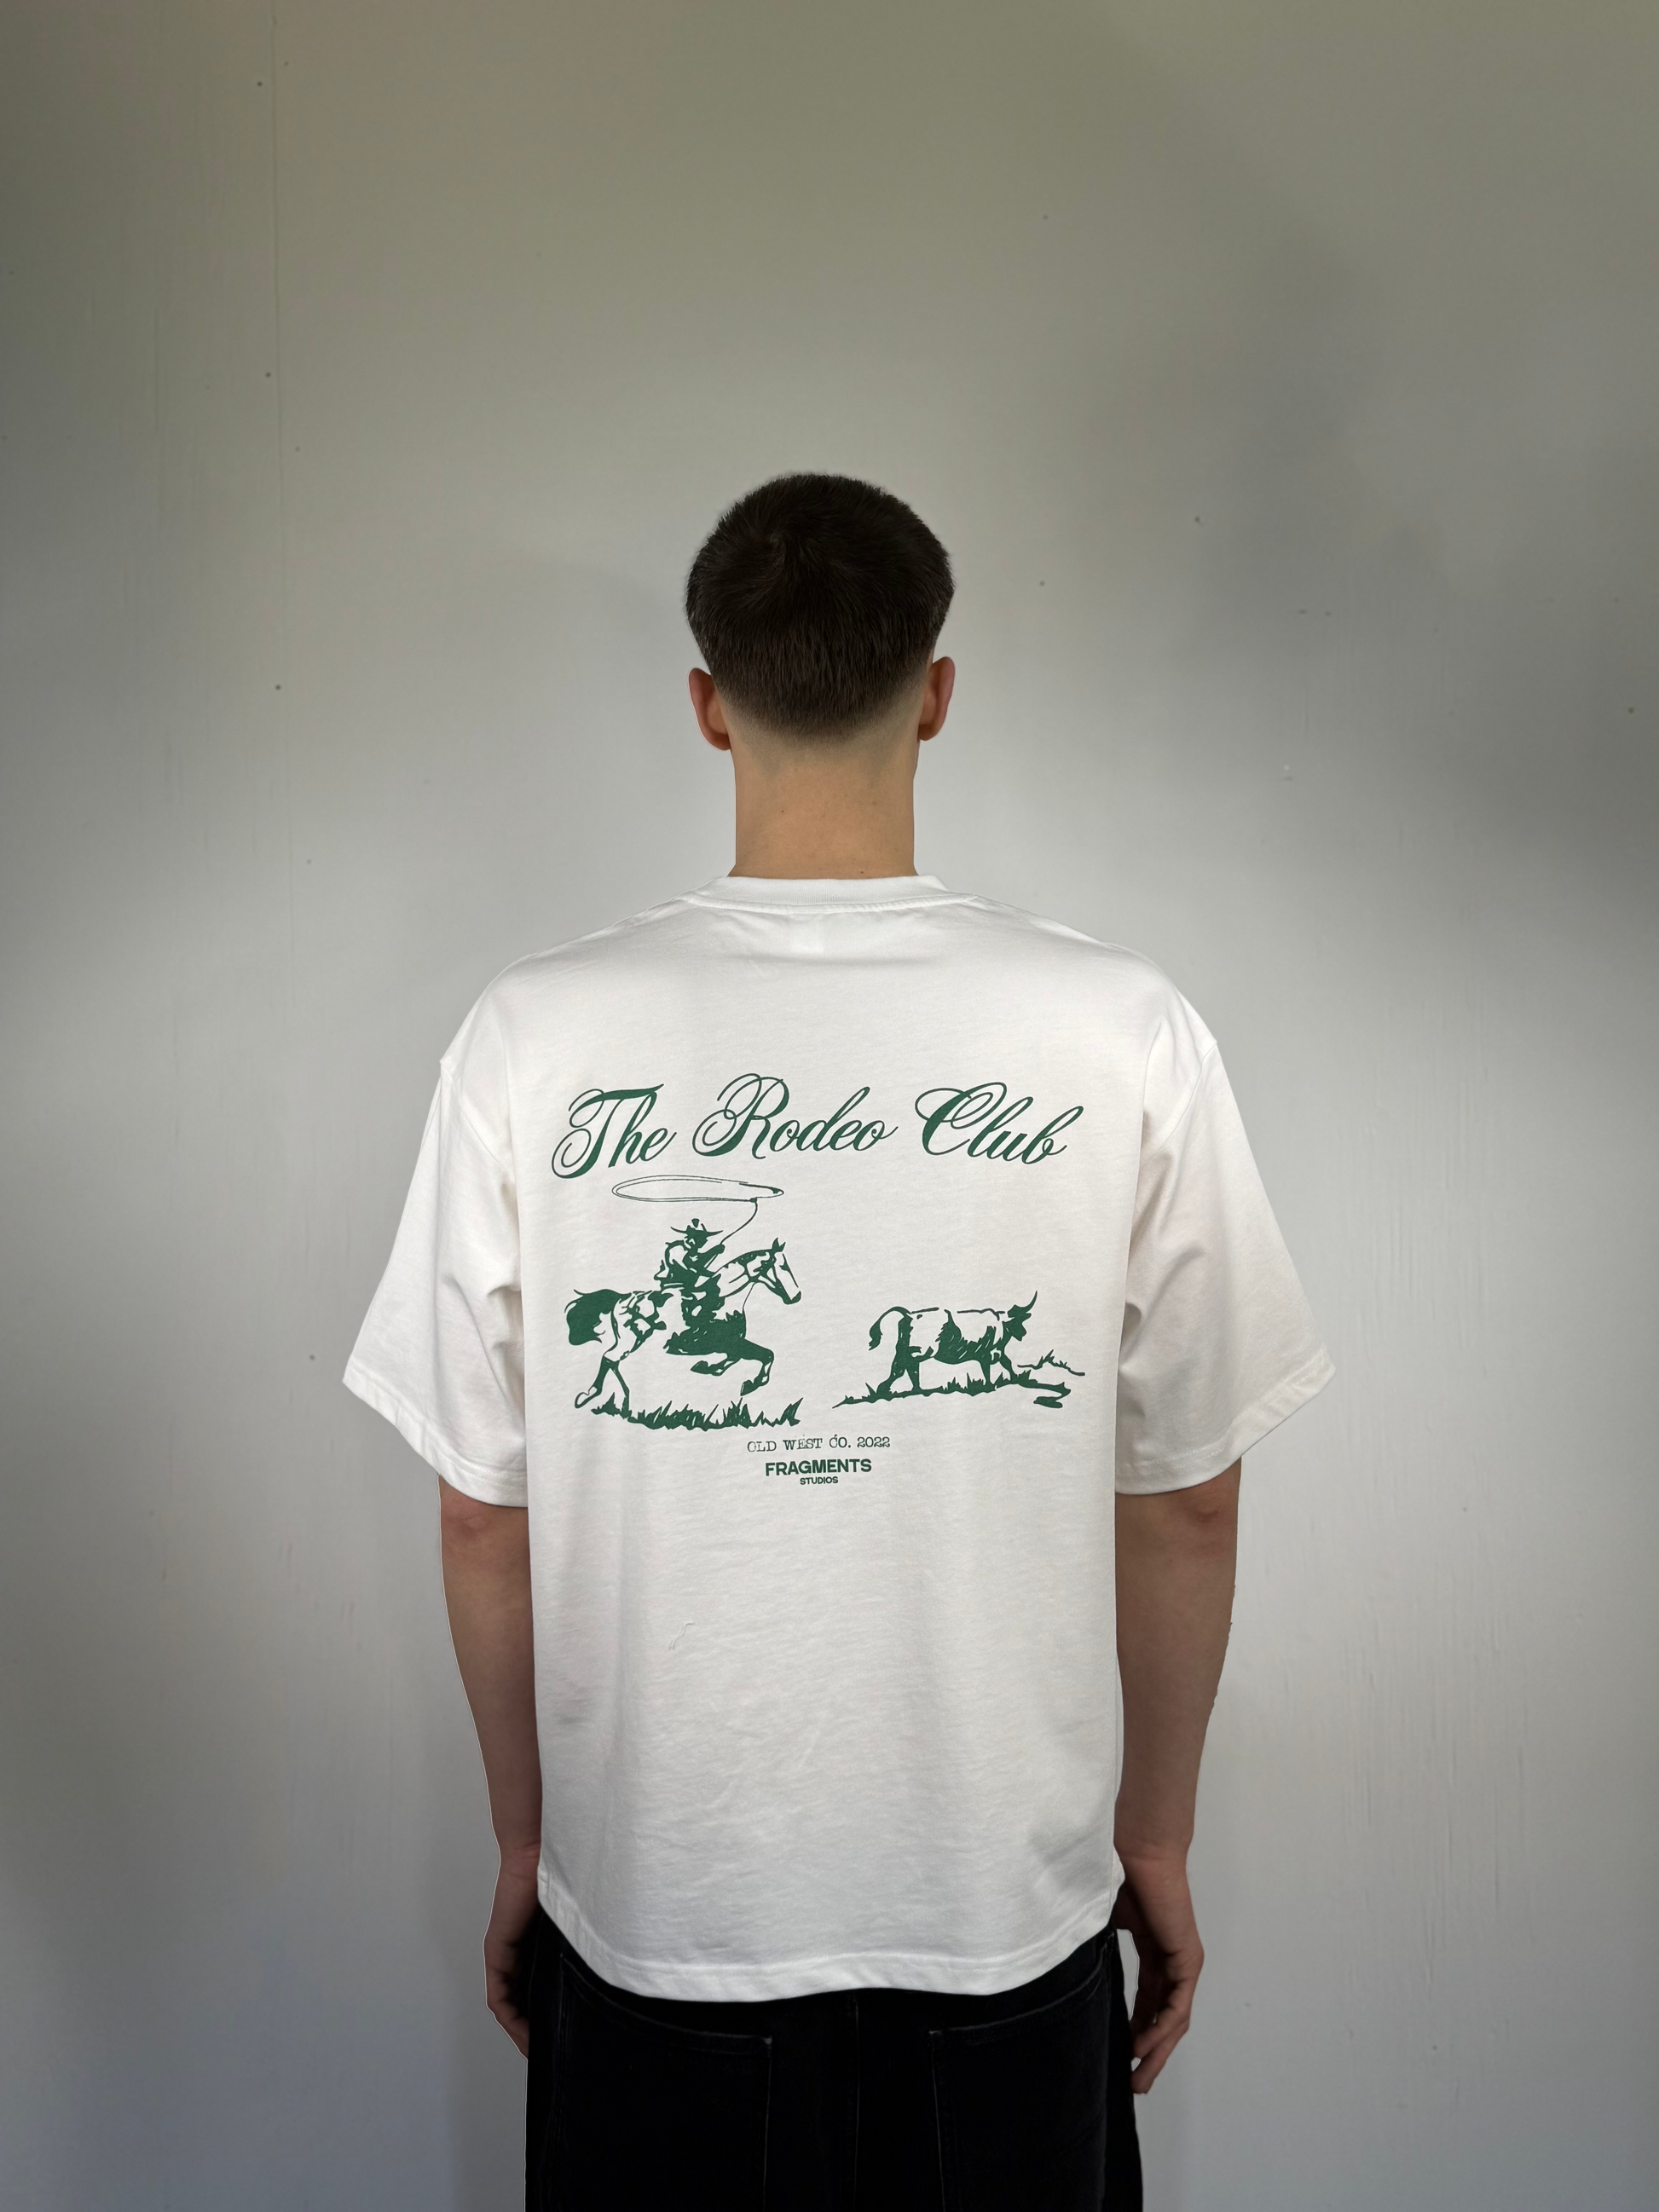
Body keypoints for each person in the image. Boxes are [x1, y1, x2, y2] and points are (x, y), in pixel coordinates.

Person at [344, 472, 1334, 2209]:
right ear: (935, 692)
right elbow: (1187, 1496)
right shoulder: (1122, 1029)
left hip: (659, 1922)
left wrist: (526, 1838)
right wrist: (1156, 1837)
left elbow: (479, 1513)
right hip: (998, 1926)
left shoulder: (530, 1038)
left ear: (706, 702)